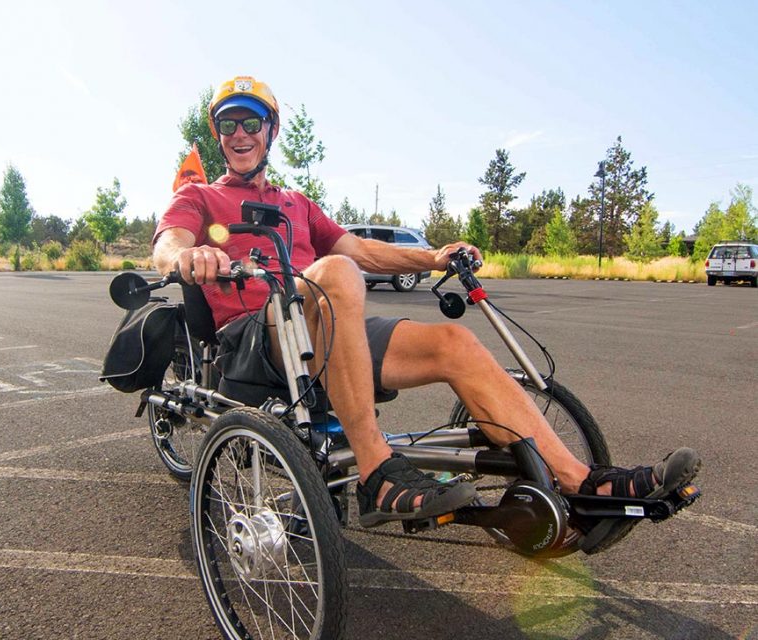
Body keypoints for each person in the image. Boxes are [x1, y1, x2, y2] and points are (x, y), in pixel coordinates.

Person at [152, 75, 700, 551]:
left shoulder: (298, 203)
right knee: (335, 276)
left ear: (270, 131)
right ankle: (374, 470)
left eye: (252, 123)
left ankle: (583, 486)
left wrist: (433, 255)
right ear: (218, 136)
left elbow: (365, 250)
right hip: (255, 338)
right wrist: (188, 254)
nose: (240, 134)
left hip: (322, 327)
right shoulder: (199, 198)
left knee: (453, 344)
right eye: (229, 125)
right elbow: (167, 245)